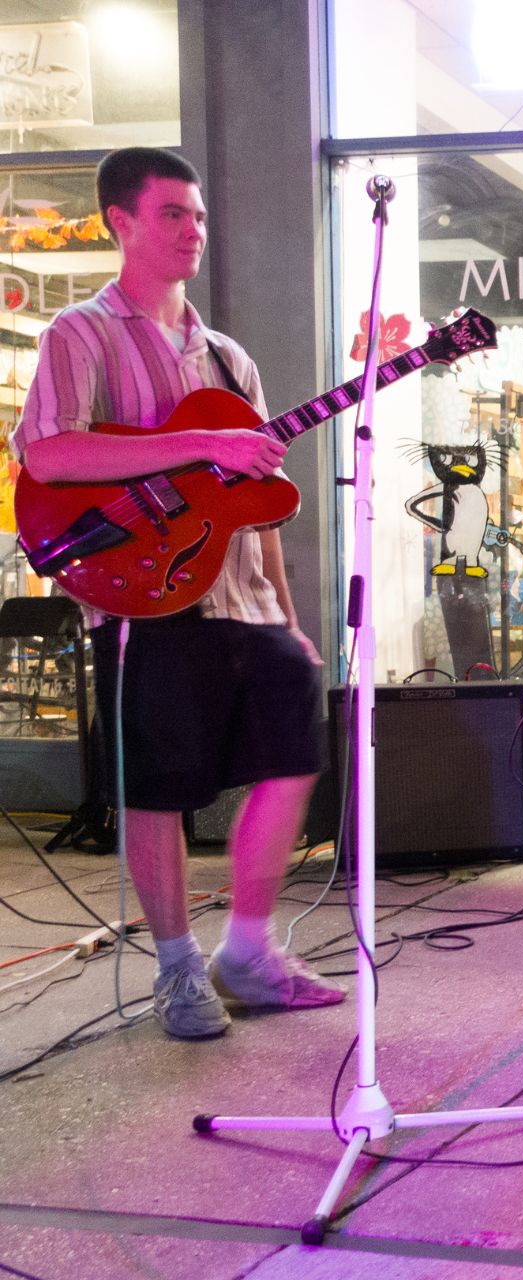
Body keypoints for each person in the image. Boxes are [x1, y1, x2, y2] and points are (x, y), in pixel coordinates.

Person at [14, 147, 341, 1039]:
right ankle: (176, 967)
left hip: (242, 596)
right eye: (173, 214)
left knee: (293, 757)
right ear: (121, 220)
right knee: (157, 790)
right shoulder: (80, 333)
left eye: (197, 214)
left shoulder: (229, 357)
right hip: (144, 597)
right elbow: (49, 453)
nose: (193, 229)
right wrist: (199, 448)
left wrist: (288, 613)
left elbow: (252, 504)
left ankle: (246, 949)